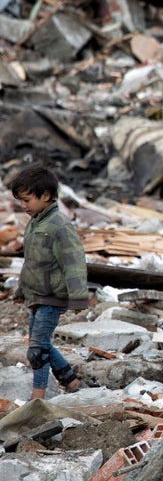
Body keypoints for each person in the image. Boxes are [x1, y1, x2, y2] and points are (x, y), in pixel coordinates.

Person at [10, 163, 89, 400]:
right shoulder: (35, 223)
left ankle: (38, 398)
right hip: (37, 295)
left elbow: (73, 262)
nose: (23, 206)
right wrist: (22, 289)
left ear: (45, 195)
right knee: (41, 344)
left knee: (36, 350)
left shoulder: (59, 226)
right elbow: (32, 262)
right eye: (20, 200)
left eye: (27, 200)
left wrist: (78, 297)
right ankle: (71, 381)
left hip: (52, 297)